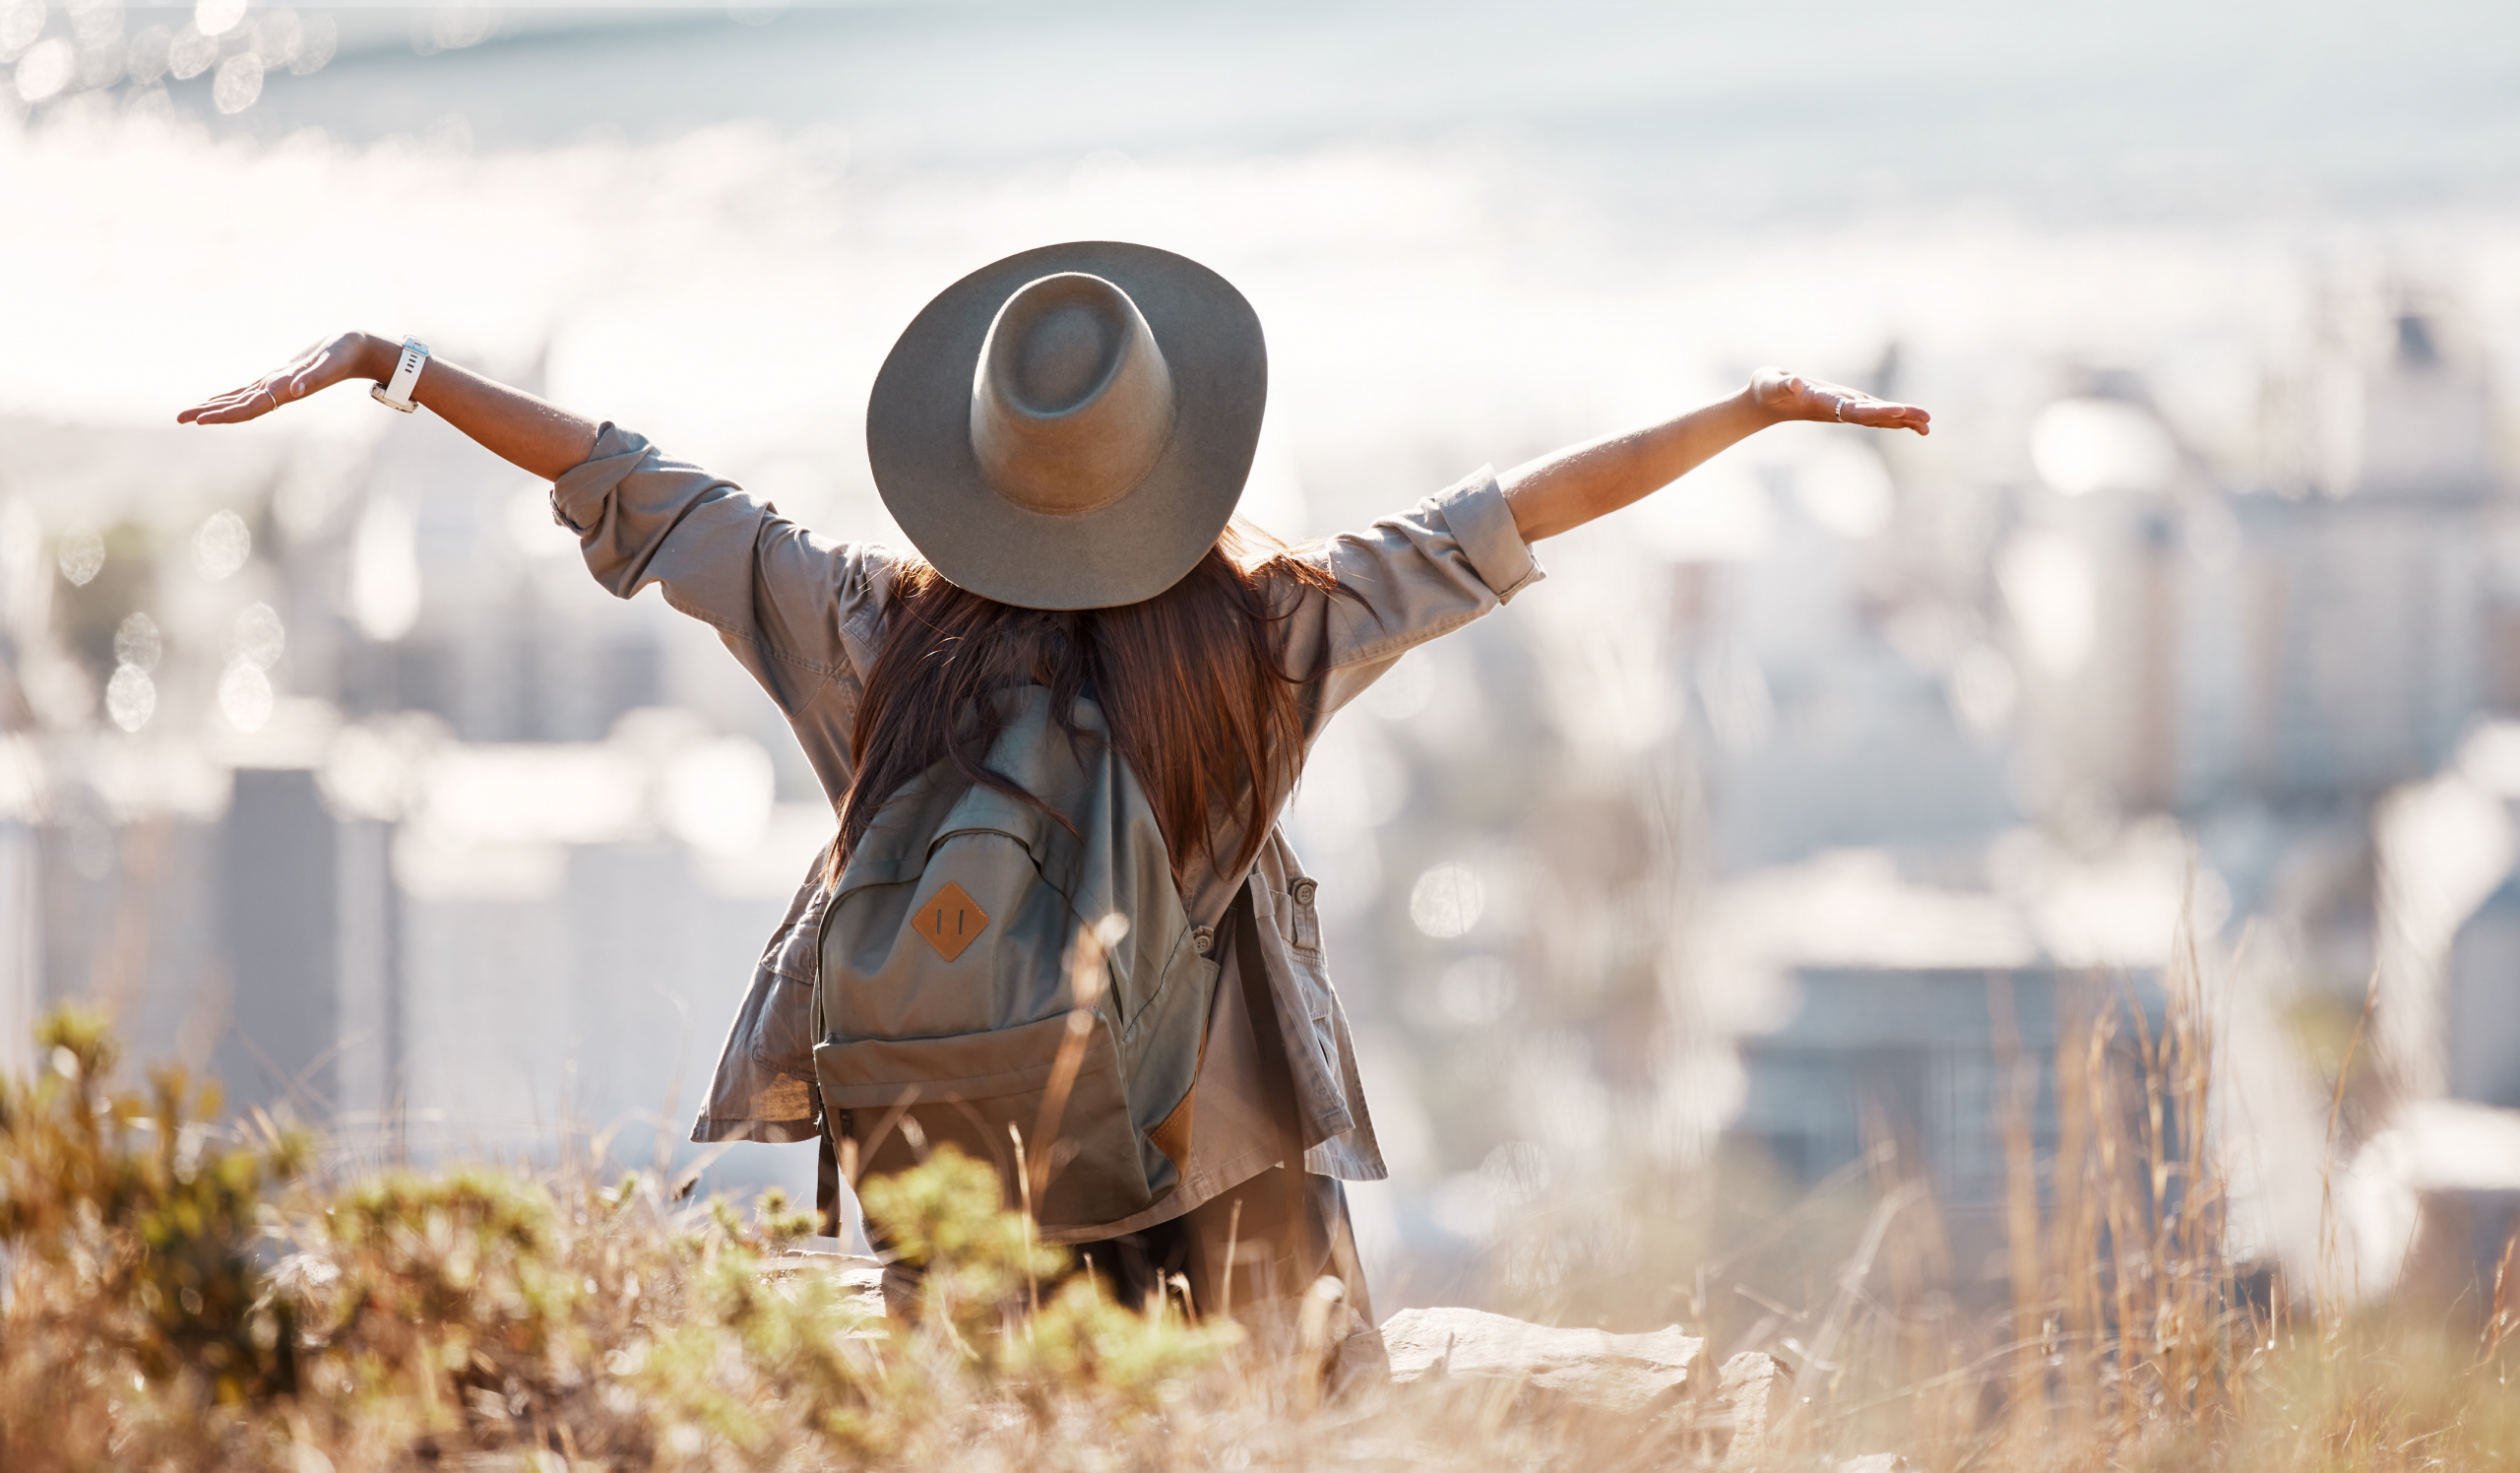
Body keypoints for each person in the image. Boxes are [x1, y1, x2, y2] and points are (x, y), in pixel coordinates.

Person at [181, 241, 1927, 1373]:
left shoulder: (877, 638)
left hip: (969, 1191)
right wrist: (1755, 413)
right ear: (1176, 462)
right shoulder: (1260, 642)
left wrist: (396, 366)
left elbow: (641, 494)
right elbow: (1511, 522)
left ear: (983, 466)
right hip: (1226, 1200)